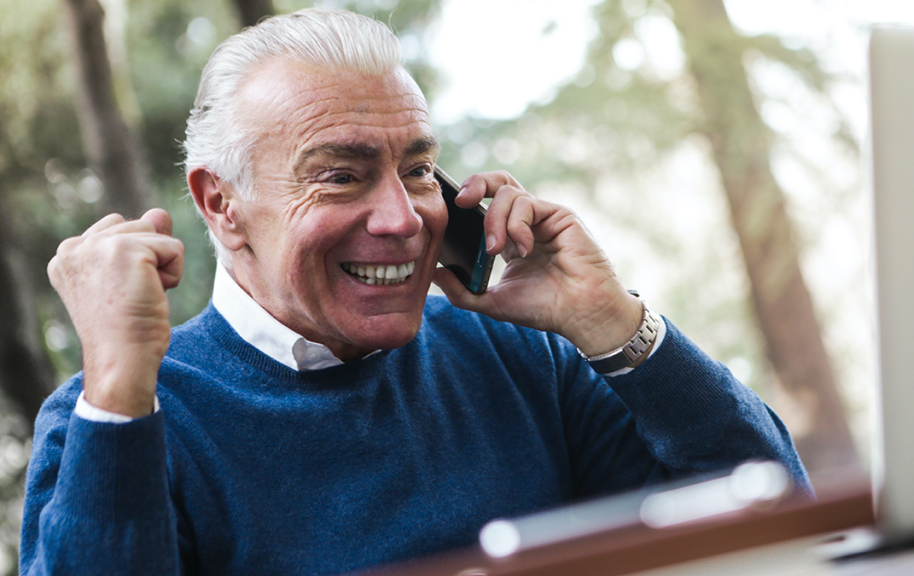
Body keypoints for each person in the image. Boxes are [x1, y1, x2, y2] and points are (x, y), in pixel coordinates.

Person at [20, 8, 809, 576]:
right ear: (222, 203)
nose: (403, 219)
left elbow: (771, 525)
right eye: (342, 175)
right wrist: (121, 392)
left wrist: (613, 323)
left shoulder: (524, 357)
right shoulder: (120, 421)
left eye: (420, 171)